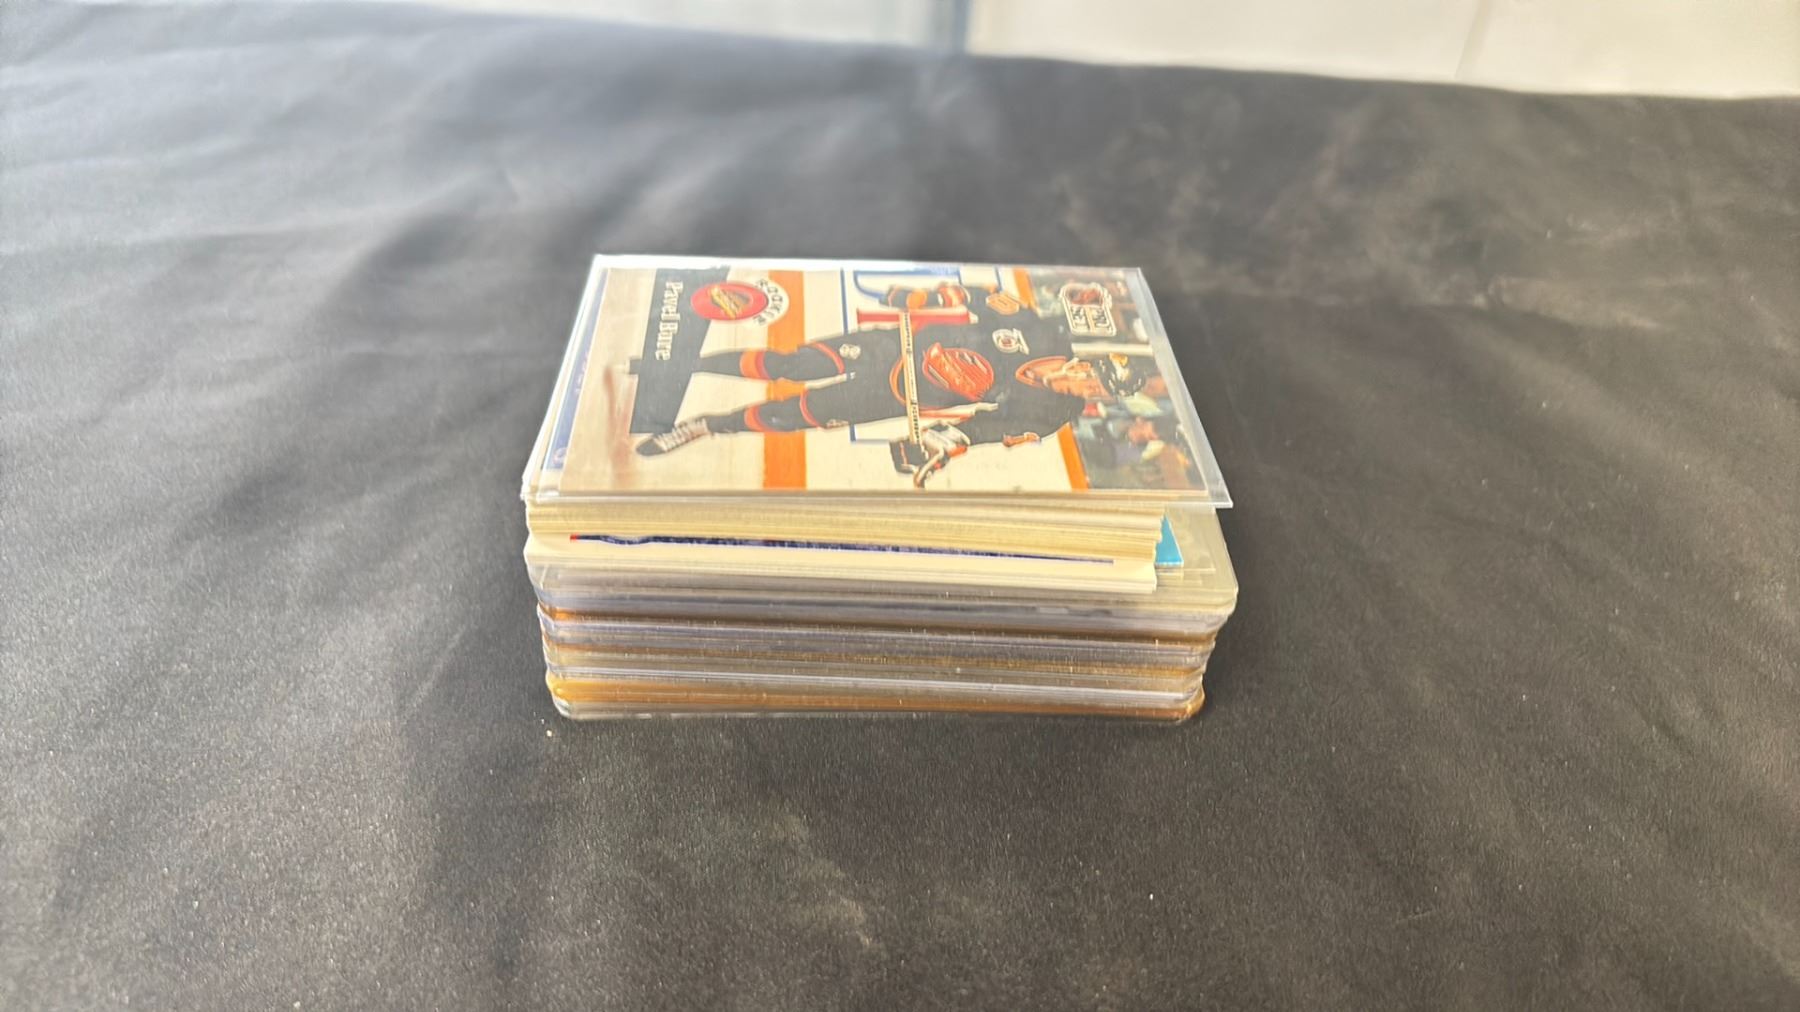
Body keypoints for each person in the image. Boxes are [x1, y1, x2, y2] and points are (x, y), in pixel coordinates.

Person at [634, 290, 1145, 485]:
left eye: (1098, 393)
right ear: (1087, 361)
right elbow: (985, 296)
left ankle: (705, 425)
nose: (1086, 388)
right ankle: (689, 364)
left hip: (898, 396)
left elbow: (983, 430)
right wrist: (928, 297)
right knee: (790, 364)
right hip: (893, 347)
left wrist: (939, 445)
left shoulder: (1052, 414)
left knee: (791, 415)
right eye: (1092, 376)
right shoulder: (1043, 332)